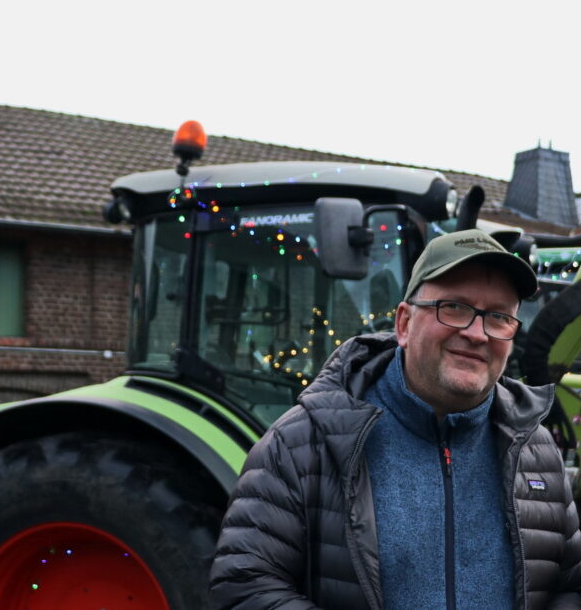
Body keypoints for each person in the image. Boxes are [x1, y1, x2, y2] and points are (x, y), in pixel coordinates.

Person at [210, 229, 581, 610]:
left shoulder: (536, 451)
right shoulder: (304, 441)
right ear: (404, 324)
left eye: (499, 316)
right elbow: (245, 587)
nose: (476, 333)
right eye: (453, 307)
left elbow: (571, 586)